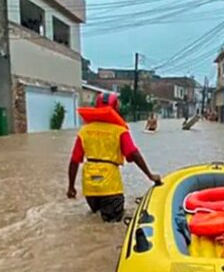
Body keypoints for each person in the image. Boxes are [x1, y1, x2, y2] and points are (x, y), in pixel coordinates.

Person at [67, 93, 161, 222]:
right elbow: (133, 154)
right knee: (112, 225)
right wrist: (150, 175)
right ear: (116, 109)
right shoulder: (119, 130)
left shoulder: (84, 131)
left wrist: (71, 187)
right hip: (110, 185)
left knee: (95, 222)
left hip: (89, 186)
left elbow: (74, 160)